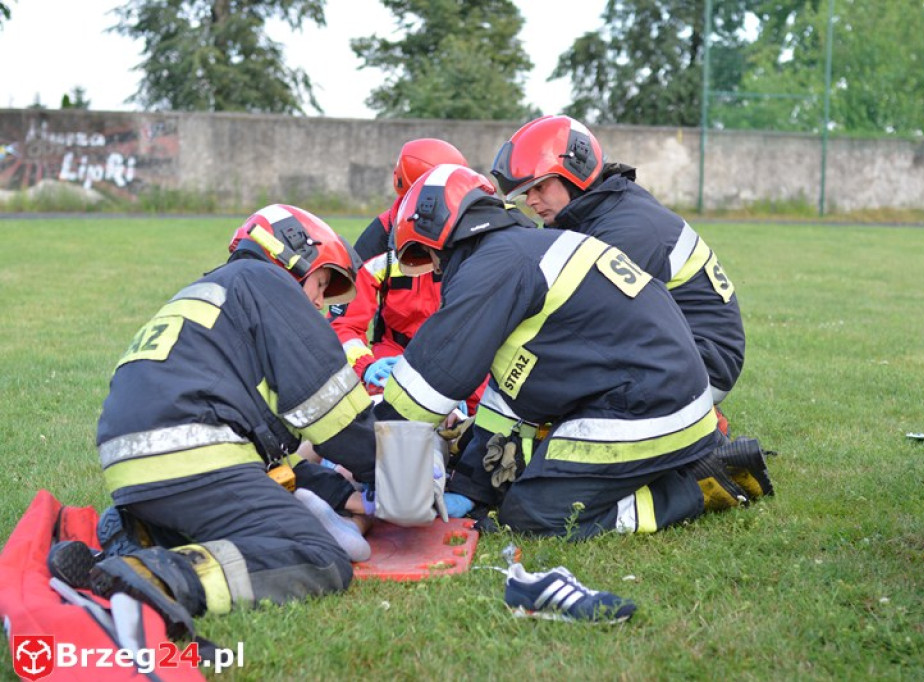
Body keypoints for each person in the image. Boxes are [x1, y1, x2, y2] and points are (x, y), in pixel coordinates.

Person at [372, 164, 770, 539]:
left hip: (651, 404)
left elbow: (429, 383)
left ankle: (695, 486)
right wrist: (473, 486)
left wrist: (372, 453)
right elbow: (506, 396)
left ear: (441, 233)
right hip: (658, 394)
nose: (435, 270)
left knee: (532, 512)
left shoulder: (495, 266)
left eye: (428, 255)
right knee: (513, 486)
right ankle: (680, 463)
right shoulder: (520, 250)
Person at [48, 204, 378, 639]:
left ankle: (140, 536)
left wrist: (341, 492)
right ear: (295, 254)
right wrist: (386, 468)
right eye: (320, 284)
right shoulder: (270, 284)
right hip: (194, 455)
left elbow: (267, 460)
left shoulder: (215, 293)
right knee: (317, 554)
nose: (318, 303)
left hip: (135, 467)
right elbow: (333, 414)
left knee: (247, 527)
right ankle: (160, 576)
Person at [491, 115, 746, 431]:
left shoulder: (624, 230)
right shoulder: (602, 211)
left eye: (540, 187)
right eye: (525, 192)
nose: (530, 201)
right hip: (683, 352)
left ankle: (697, 435)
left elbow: (575, 322)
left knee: (555, 353)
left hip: (703, 365)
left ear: (575, 173)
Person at [332, 138, 479, 404]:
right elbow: (344, 324)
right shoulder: (378, 240)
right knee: (383, 409)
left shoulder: (473, 236)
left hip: (461, 355)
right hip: (393, 357)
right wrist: (367, 367)